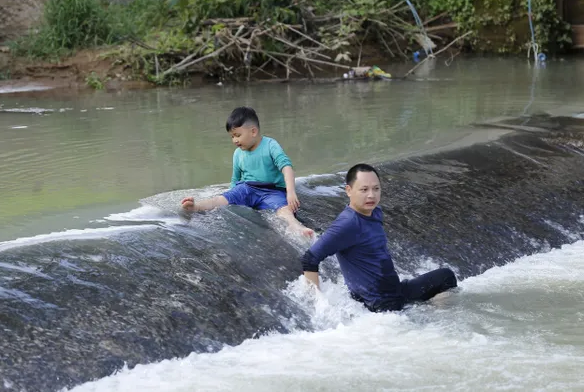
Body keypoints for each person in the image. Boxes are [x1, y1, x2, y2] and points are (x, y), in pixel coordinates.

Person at [301, 163, 457, 312]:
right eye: (364, 189)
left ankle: (432, 313)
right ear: (348, 190)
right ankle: (437, 318)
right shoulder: (348, 223)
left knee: (445, 277)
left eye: (376, 189)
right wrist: (317, 303)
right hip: (382, 304)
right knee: (445, 279)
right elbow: (310, 259)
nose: (371, 195)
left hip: (394, 292)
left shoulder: (374, 212)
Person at [181, 106, 314, 238]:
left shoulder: (270, 145)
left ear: (253, 131)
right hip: (246, 188)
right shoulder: (238, 154)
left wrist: (290, 192)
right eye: (232, 136)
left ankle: (296, 227)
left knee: (284, 209)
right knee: (220, 199)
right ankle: (196, 207)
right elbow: (235, 179)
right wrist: (231, 195)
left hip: (271, 191)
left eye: (238, 135)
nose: (235, 140)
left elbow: (286, 167)